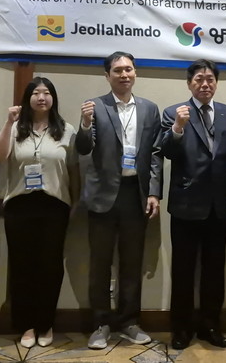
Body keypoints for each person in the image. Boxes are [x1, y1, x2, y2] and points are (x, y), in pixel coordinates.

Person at [76, 51, 163, 350]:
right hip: (102, 195)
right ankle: (100, 324)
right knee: (99, 263)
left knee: (132, 263)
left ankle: (128, 322)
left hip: (135, 194)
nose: (124, 75)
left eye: (129, 69)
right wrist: (85, 123)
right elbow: (83, 148)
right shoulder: (95, 106)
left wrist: (153, 192)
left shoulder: (150, 109)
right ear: (107, 76)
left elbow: (155, 154)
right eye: (117, 70)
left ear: (135, 73)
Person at [160, 59, 226, 350]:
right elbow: (166, 152)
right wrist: (178, 127)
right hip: (185, 203)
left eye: (210, 79)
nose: (205, 84)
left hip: (219, 204)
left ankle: (210, 325)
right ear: (189, 83)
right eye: (199, 79)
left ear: (216, 83)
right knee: (183, 270)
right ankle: (180, 328)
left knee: (214, 269)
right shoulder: (173, 112)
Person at [0, 76, 79, 349]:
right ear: (27, 98)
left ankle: (45, 323)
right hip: (20, 205)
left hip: (55, 204)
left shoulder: (66, 129)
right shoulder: (16, 128)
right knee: (22, 266)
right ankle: (26, 325)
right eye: (36, 93)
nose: (41, 97)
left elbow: (74, 170)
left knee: (50, 267)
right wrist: (8, 123)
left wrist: (75, 203)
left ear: (53, 98)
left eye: (47, 92)